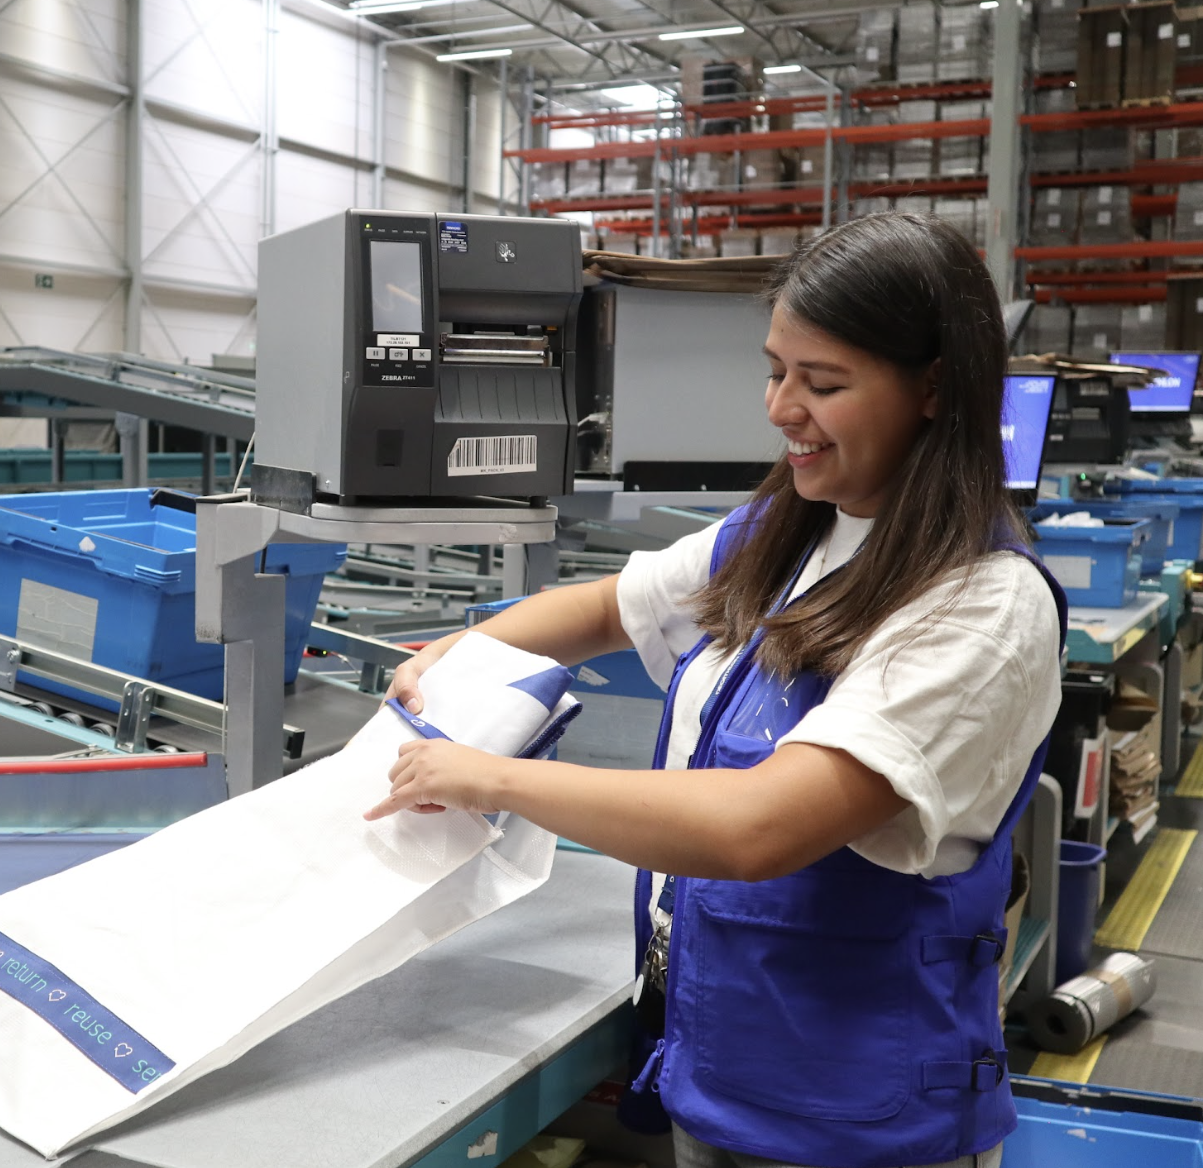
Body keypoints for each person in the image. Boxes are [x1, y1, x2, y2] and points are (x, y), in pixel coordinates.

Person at [364, 212, 1065, 1168]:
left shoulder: (982, 605)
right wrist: (460, 649)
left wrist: (488, 776)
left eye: (823, 383)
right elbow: (607, 608)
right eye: (775, 370)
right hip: (722, 1071)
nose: (781, 408)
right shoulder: (791, 528)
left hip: (860, 1121)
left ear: (935, 388)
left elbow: (760, 825)